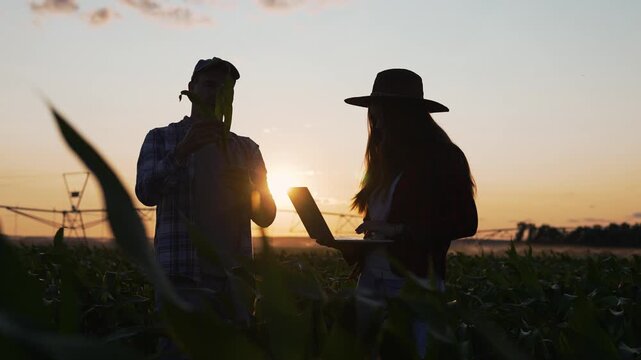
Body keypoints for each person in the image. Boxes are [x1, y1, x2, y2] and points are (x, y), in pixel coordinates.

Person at [135, 57, 276, 354]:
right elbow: (146, 192)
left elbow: (266, 215)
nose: (216, 94)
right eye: (210, 85)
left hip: (235, 284)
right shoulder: (161, 138)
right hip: (182, 279)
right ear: (191, 88)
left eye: (226, 89)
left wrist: (250, 191)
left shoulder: (246, 149)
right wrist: (184, 150)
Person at [341, 68, 477, 358]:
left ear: (404, 113)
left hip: (414, 283)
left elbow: (466, 222)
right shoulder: (382, 162)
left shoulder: (444, 157)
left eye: (380, 108)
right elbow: (379, 223)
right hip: (371, 283)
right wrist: (354, 245)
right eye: (373, 108)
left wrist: (400, 230)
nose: (374, 115)